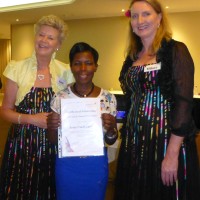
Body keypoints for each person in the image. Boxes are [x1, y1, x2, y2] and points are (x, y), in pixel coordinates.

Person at [114, 0, 200, 200]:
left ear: (159, 18)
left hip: (166, 143)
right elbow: (131, 100)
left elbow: (184, 102)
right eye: (134, 16)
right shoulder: (132, 57)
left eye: (146, 14)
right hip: (134, 144)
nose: (139, 20)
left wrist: (171, 154)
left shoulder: (176, 50)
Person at [0, 15, 74, 199]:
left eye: (50, 37)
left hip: (51, 145)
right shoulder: (16, 68)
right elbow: (5, 111)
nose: (44, 40)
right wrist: (32, 119)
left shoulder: (66, 71)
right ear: (35, 37)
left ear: (58, 44)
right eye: (41, 35)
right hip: (21, 144)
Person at [47, 42, 118, 200]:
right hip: (67, 165)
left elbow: (111, 140)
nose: (83, 69)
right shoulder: (60, 98)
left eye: (88, 63)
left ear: (95, 66)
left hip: (95, 165)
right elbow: (52, 140)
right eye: (77, 64)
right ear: (71, 67)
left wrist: (112, 129)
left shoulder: (108, 98)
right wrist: (51, 127)